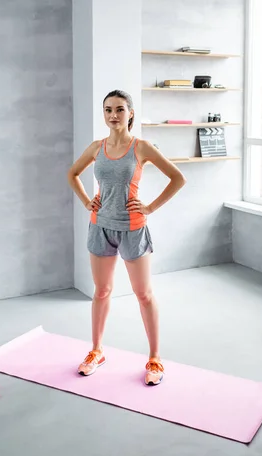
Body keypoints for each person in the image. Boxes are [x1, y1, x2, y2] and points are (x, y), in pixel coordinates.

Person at [67, 89, 186, 385]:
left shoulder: (141, 147)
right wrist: (86, 202)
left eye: (119, 109)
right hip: (100, 227)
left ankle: (155, 359)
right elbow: (72, 174)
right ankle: (96, 351)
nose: (113, 115)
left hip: (133, 227)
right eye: (108, 110)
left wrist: (149, 207)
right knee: (102, 291)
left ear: (130, 113)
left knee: (143, 294)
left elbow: (178, 178)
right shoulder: (97, 148)